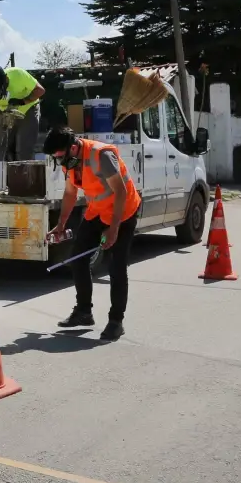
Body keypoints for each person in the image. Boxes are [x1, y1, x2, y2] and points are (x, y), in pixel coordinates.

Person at [43, 126, 141, 341]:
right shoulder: (70, 162)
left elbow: (121, 192)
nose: (59, 161)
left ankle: (116, 321)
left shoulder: (101, 155)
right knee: (77, 260)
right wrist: (61, 224)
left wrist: (113, 228)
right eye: (56, 157)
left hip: (122, 212)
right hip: (97, 210)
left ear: (74, 147)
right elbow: (70, 192)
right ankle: (84, 312)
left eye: (61, 156)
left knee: (116, 267)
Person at [0, 63, 45, 161]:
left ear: (6, 79)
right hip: (7, 113)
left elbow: (40, 90)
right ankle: (1, 174)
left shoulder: (18, 74)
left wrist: (22, 101)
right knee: (0, 150)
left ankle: (24, 174)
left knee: (24, 150)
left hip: (28, 108)